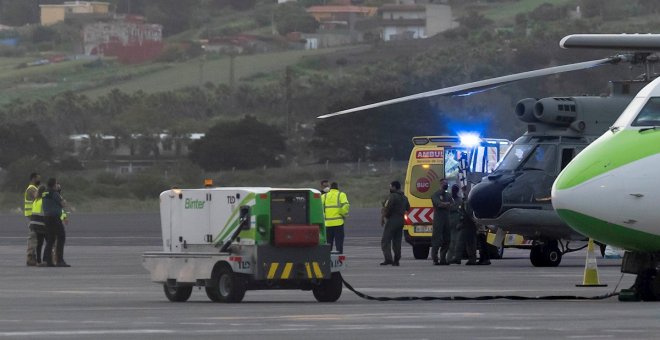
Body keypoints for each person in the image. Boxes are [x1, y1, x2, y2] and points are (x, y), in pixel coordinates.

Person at [41, 178, 70, 267]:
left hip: (46, 218)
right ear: (54, 185)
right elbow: (63, 204)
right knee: (61, 237)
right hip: (54, 218)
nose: (58, 185)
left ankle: (48, 261)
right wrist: (59, 193)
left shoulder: (44, 193)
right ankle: (59, 260)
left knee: (51, 239)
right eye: (57, 183)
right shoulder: (55, 193)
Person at [380, 181, 410, 266]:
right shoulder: (404, 197)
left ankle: (388, 259)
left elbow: (387, 208)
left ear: (394, 187)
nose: (390, 188)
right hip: (401, 221)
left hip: (392, 220)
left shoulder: (392, 196)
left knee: (385, 240)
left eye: (391, 186)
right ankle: (397, 260)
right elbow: (408, 208)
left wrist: (382, 218)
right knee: (397, 241)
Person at [430, 178, 453, 265]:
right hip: (438, 220)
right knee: (436, 240)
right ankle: (435, 259)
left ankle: (443, 258)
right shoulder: (435, 195)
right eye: (444, 184)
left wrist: (445, 204)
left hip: (447, 219)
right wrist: (446, 204)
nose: (446, 185)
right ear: (440, 184)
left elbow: (452, 204)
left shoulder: (448, 195)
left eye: (447, 183)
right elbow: (438, 204)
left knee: (447, 239)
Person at [322, 182, 349, 253]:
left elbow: (319, 208)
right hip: (338, 224)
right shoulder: (341, 195)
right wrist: (342, 213)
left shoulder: (324, 196)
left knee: (328, 245)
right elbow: (346, 205)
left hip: (327, 224)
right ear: (337, 188)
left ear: (330, 188)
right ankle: (339, 261)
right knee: (339, 243)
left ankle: (327, 260)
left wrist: (324, 216)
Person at [457, 185, 479, 265]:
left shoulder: (468, 201)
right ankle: (471, 258)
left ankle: (472, 259)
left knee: (470, 243)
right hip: (469, 224)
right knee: (469, 242)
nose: (463, 192)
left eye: (464, 190)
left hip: (469, 224)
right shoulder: (467, 200)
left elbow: (469, 213)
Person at [24, 172, 41, 266]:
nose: (39, 180)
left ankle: (33, 257)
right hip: (32, 216)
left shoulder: (34, 188)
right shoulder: (31, 189)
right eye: (38, 178)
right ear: (33, 179)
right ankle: (30, 257)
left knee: (36, 237)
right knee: (33, 236)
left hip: (35, 216)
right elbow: (37, 198)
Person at [447, 184, 462, 264]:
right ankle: (453, 257)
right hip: (456, 220)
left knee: (451, 240)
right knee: (455, 240)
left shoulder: (448, 199)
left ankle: (450, 257)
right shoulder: (459, 200)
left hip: (449, 219)